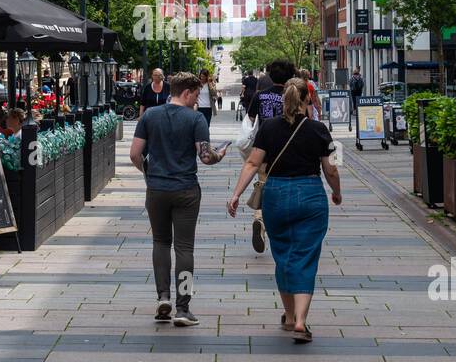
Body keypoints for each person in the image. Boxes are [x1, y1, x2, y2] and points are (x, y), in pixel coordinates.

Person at [228, 80, 342, 343]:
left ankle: (289, 317)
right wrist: (336, 192)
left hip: (276, 195)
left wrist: (236, 194)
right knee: (305, 255)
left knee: (283, 255)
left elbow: (253, 162)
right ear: (307, 100)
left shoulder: (269, 128)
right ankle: (301, 321)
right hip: (310, 194)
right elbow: (332, 168)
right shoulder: (320, 130)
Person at [129, 71, 227, 327]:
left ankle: (163, 297)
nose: (196, 100)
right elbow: (205, 157)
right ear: (186, 93)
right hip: (186, 189)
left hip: (157, 189)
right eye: (195, 95)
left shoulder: (149, 116)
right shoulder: (195, 119)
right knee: (184, 248)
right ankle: (183, 308)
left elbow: (134, 154)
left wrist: (149, 175)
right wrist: (220, 155)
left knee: (160, 243)